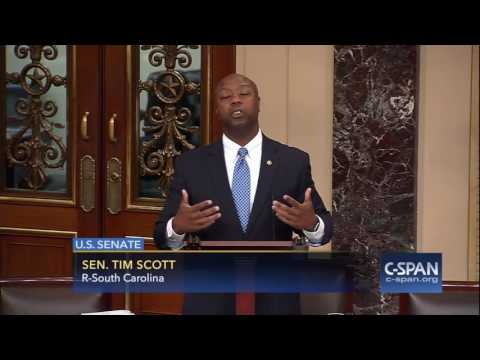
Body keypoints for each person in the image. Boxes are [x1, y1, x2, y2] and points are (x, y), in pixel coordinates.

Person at [154, 73, 333, 314]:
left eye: (244, 94)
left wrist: (312, 224)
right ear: (217, 109)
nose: (235, 100)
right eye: (226, 97)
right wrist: (177, 226)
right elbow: (161, 237)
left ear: (258, 102)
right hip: (210, 299)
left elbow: (324, 232)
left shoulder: (292, 161)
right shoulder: (191, 164)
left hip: (275, 299)